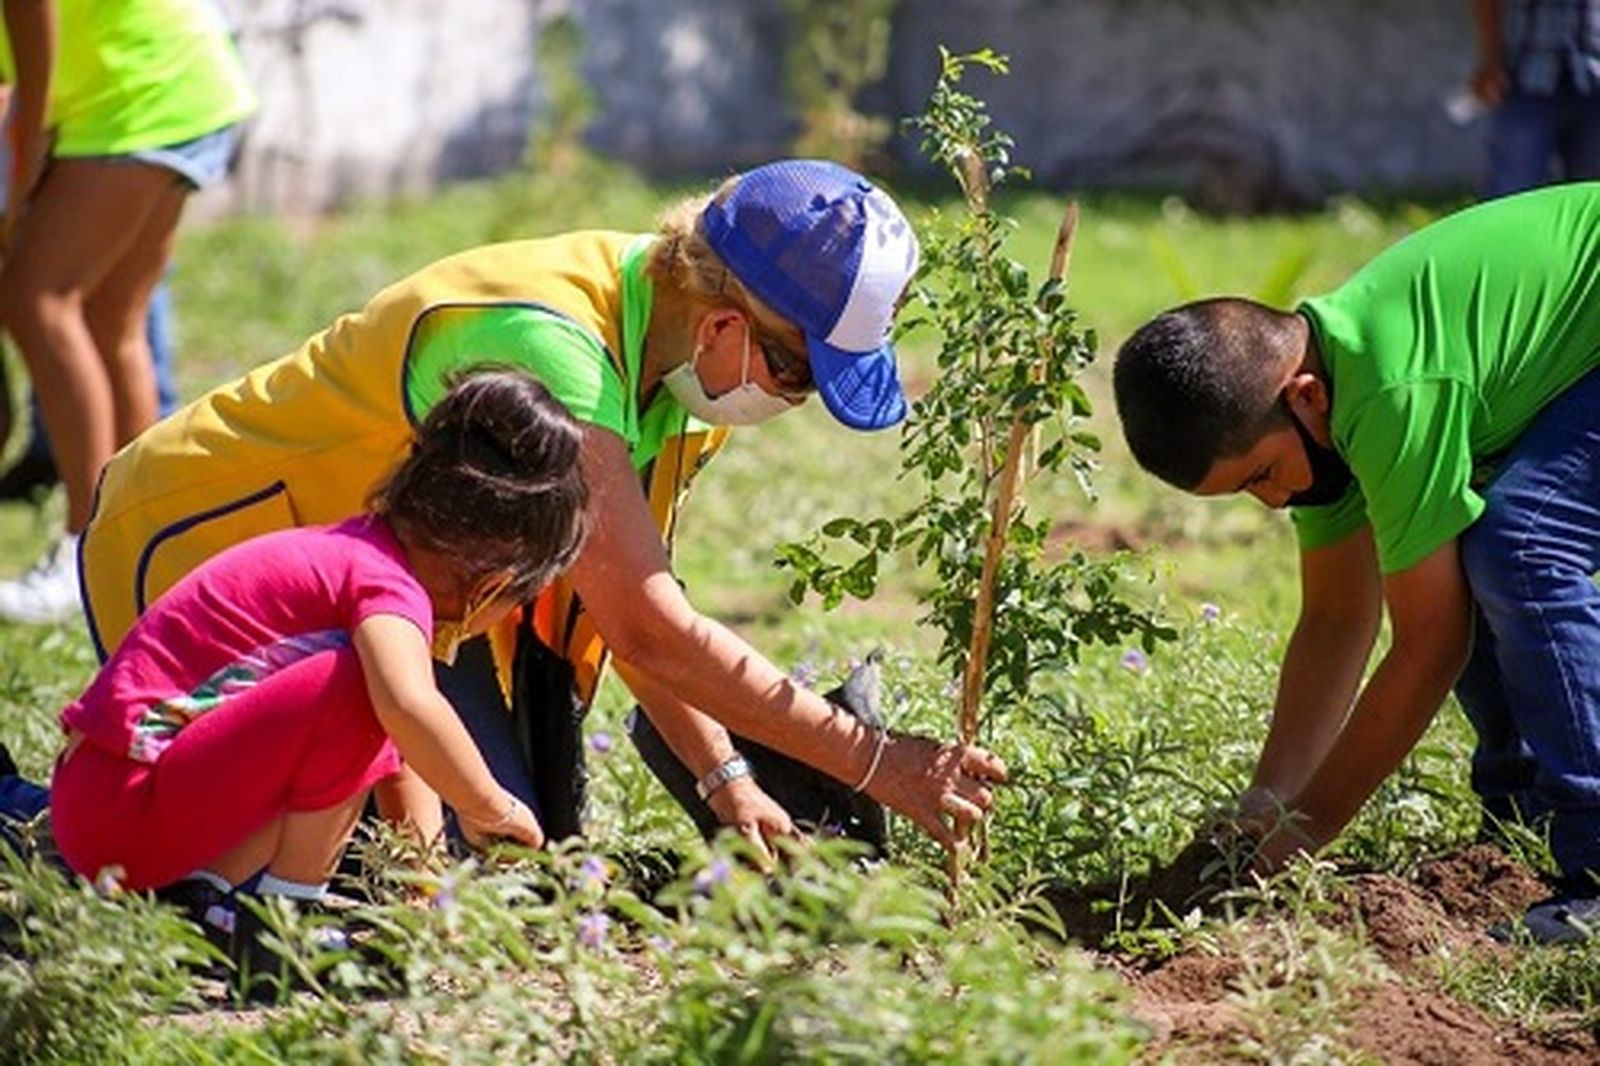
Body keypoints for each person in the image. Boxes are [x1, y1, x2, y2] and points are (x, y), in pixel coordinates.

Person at [77, 158, 1008, 862]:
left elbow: (632, 604)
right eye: (799, 372)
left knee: (510, 858)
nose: (792, 400)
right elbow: (649, 626)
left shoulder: (683, 370)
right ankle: (42, 825)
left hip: (391, 598)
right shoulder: (552, 346)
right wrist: (873, 759)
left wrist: (726, 777)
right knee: (258, 871)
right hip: (215, 556)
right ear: (726, 324)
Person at [1112, 183, 1600, 943]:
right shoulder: (1323, 410)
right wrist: (1266, 804)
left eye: (1261, 476)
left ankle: (1596, 870)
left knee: (1523, 547)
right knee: (1455, 553)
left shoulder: (1390, 391)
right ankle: (1523, 836)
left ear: (1302, 397)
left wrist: (1300, 838)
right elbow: (1338, 619)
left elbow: (1429, 647)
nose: (1274, 504)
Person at [49, 369, 584, 989]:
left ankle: (206, 904)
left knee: (377, 698)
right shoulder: (384, 588)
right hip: (123, 808)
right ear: (495, 582)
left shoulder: (361, 558)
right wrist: (491, 805)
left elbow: (403, 750)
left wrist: (427, 900)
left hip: (112, 800)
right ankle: (279, 928)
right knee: (367, 690)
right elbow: (406, 709)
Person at [0, 0, 254, 623]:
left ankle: (83, 550)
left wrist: (24, 167)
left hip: (136, 99)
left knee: (38, 300)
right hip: (183, 85)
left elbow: (31, 63)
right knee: (113, 324)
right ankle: (145, 544)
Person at [1468, 0, 1600, 197]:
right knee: (1511, 192)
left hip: (1593, 75)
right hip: (1526, 75)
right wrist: (1490, 61)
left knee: (1592, 197)